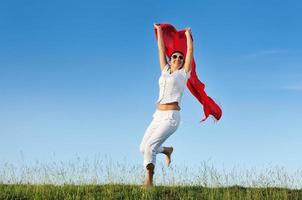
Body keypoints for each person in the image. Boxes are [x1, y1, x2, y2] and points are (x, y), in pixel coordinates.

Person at [139, 23, 193, 188]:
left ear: (183, 62)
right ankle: (167, 150)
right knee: (143, 147)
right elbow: (160, 50)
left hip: (171, 117)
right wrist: (160, 31)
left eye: (180, 58)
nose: (177, 58)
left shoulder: (183, 74)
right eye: (174, 56)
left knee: (150, 147)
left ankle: (149, 182)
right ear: (171, 59)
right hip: (157, 115)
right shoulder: (165, 71)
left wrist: (187, 35)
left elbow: (190, 51)